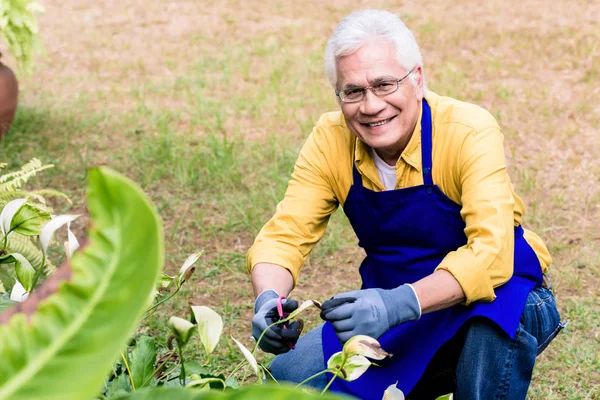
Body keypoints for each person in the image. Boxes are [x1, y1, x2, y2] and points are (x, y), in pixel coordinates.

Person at [247, 9, 564, 400]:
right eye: (353, 91)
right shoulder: (330, 141)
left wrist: (399, 304)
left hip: (499, 296)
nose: (370, 105)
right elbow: (285, 236)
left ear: (417, 79)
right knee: (291, 376)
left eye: (384, 84)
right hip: (395, 301)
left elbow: (492, 254)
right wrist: (268, 299)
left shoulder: (468, 130)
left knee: (488, 334)